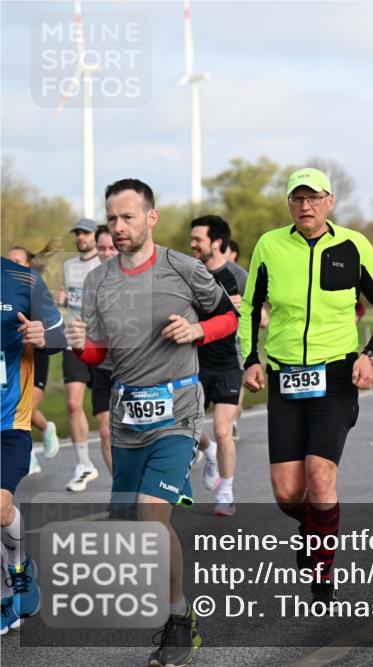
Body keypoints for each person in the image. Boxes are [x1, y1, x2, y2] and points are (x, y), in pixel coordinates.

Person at [66, 178, 239, 665]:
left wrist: (197, 329)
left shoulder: (181, 267)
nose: (118, 228)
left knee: (151, 516)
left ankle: (179, 620)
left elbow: (228, 317)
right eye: (112, 219)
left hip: (178, 408)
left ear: (151, 218)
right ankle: (175, 608)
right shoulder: (99, 280)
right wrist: (81, 344)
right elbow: (102, 352)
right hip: (127, 415)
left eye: (127, 218)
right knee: (130, 528)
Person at [240, 167, 373, 603]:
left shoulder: (353, 245)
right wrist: (251, 358)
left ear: (330, 201)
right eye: (297, 199)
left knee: (320, 475)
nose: (304, 206)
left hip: (335, 373)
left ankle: (323, 570)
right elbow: (251, 307)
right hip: (285, 376)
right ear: (289, 203)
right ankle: (313, 527)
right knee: (287, 492)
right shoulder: (270, 245)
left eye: (313, 198)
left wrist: (370, 355)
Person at [1, 257, 65, 635]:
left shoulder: (21, 279)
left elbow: (59, 337)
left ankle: (16, 579)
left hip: (10, 419)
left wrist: (44, 338)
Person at [189, 215, 247, 516]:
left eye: (198, 239)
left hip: (228, 362)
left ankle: (226, 493)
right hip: (192, 361)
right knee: (186, 425)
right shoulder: (191, 273)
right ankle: (208, 451)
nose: (192, 244)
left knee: (223, 429)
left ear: (218, 243)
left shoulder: (239, 275)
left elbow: (264, 318)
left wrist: (244, 309)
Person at [57, 218, 102, 492]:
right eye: (78, 234)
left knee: (109, 416)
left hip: (102, 343)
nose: (81, 238)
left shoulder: (107, 262)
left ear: (96, 235)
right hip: (73, 341)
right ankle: (84, 464)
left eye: (86, 233)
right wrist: (61, 301)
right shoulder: (68, 266)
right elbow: (69, 301)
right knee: (73, 404)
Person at [8, 246, 59, 469]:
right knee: (15, 408)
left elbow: (54, 328)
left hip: (36, 354)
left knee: (23, 407)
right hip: (11, 360)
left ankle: (26, 455)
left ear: (28, 265)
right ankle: (44, 430)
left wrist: (39, 334)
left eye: (18, 261)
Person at [90, 225, 118, 473]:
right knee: (106, 432)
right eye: (102, 248)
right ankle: (121, 493)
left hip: (134, 369)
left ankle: (204, 446)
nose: (107, 253)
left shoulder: (138, 278)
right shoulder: (92, 282)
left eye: (112, 247)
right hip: (101, 367)